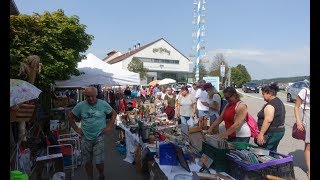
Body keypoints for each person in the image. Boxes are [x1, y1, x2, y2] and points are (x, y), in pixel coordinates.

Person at [68, 87, 117, 180]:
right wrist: (77, 129)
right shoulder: (80, 105)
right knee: (87, 161)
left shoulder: (103, 104)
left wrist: (109, 127)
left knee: (99, 162)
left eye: (92, 96)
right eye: (87, 96)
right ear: (85, 96)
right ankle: (90, 178)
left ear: (96, 95)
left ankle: (101, 173)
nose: (90, 99)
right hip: (85, 137)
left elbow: (114, 114)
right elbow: (70, 117)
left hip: (99, 136)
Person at [256, 83, 286, 152]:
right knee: (272, 151)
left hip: (271, 133)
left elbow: (268, 120)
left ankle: (277, 162)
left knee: (265, 152)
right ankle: (278, 162)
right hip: (278, 131)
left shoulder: (271, 105)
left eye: (263, 94)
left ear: (269, 93)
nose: (262, 96)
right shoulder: (278, 101)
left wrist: (261, 133)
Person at [294, 86, 310, 178]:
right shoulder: (305, 91)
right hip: (308, 119)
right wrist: (298, 121)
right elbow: (296, 107)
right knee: (308, 146)